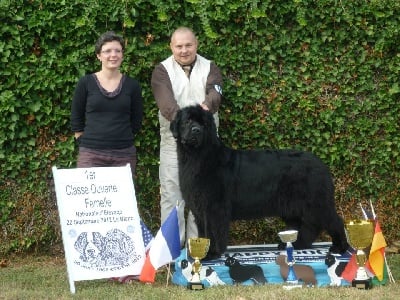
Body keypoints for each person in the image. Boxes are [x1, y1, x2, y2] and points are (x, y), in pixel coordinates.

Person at [151, 27, 223, 247]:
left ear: (196, 44)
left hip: (206, 147)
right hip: (175, 145)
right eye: (179, 46)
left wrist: (204, 109)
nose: (184, 50)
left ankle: (198, 249)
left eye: (188, 45)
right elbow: (167, 105)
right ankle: (171, 250)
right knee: (172, 196)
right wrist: (191, 120)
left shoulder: (210, 67)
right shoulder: (161, 71)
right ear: (171, 47)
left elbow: (215, 94)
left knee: (203, 197)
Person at [71, 31, 143, 180]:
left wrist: (122, 137)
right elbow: (76, 115)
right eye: (107, 51)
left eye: (118, 50)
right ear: (99, 55)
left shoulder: (132, 85)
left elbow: (137, 119)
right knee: (89, 199)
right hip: (91, 154)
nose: (113, 55)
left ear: (122, 55)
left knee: (122, 202)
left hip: (124, 154)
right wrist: (81, 139)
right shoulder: (85, 83)